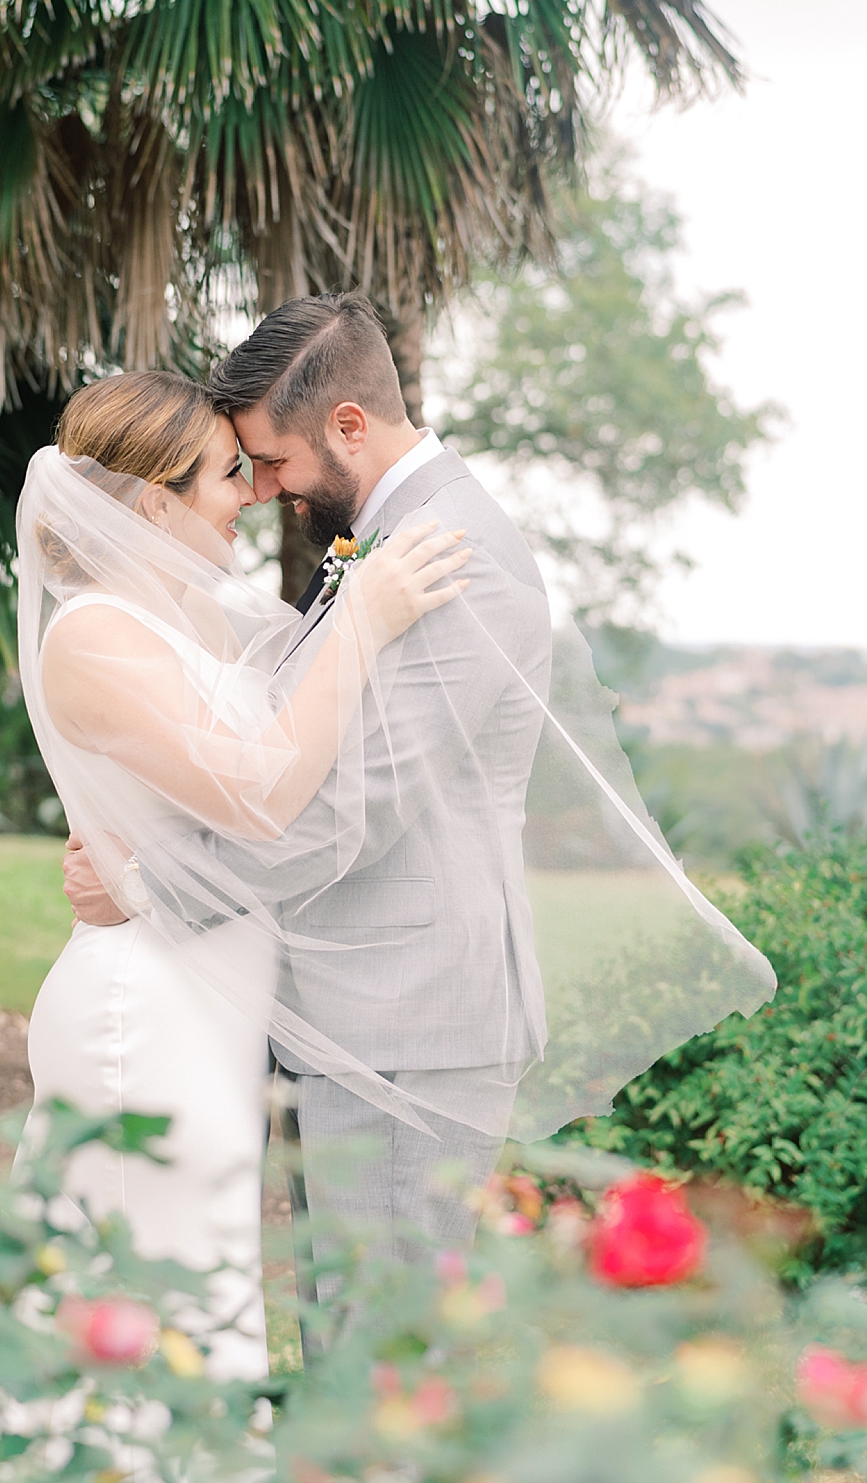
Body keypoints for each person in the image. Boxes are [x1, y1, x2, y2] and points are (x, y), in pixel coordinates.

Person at [60, 295, 776, 1292]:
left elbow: (350, 808)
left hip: (409, 1020)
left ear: (348, 424)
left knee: (377, 1352)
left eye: (273, 460)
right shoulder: (397, 533)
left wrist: (148, 882)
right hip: (370, 1014)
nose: (264, 488)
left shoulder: (455, 554)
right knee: (351, 1328)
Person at [13, 368, 468, 1377]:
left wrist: (139, 867)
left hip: (214, 995)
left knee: (199, 1295)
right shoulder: (92, 636)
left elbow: (300, 759)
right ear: (158, 502)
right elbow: (259, 793)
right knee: (141, 1300)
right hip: (147, 1002)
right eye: (229, 473)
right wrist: (361, 618)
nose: (253, 492)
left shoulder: (202, 623)